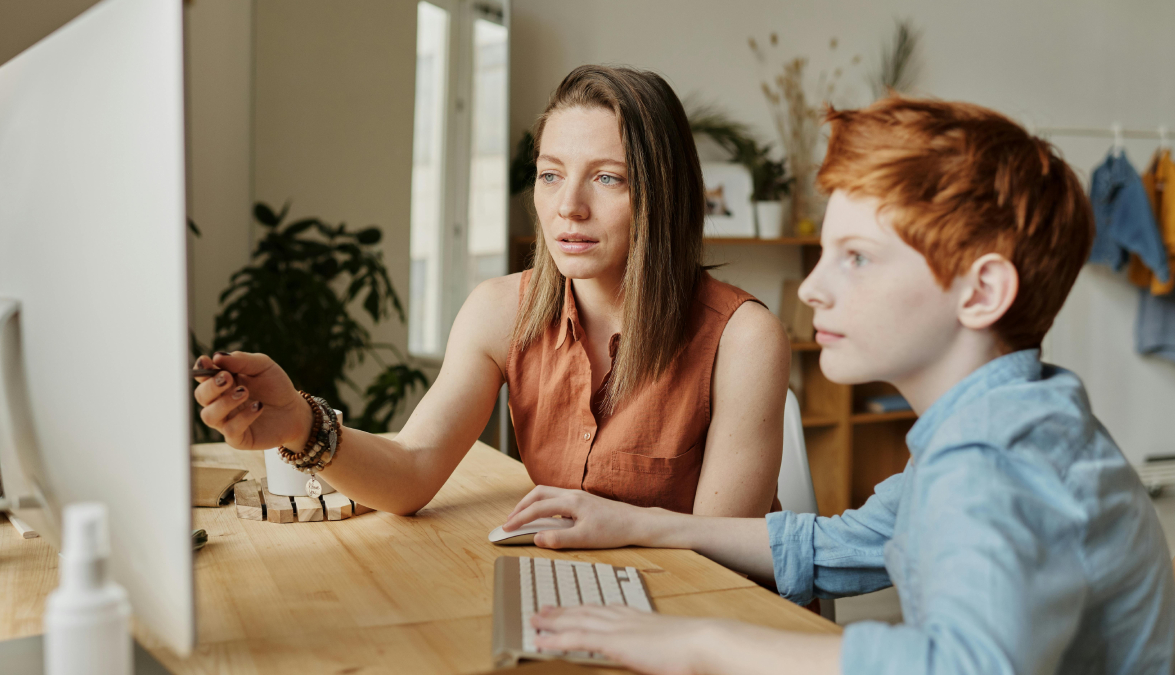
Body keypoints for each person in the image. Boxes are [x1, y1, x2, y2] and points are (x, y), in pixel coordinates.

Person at [502, 98, 1175, 674]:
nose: (815, 288)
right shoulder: (1005, 419)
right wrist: (637, 523)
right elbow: (835, 545)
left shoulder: (994, 459)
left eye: (855, 257)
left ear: (984, 291)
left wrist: (703, 641)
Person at [192, 64, 790, 518]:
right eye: (551, 174)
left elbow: (719, 557)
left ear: (665, 195)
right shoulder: (501, 310)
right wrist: (300, 423)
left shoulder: (743, 338)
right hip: (583, 595)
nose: (568, 207)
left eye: (607, 178)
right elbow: (411, 471)